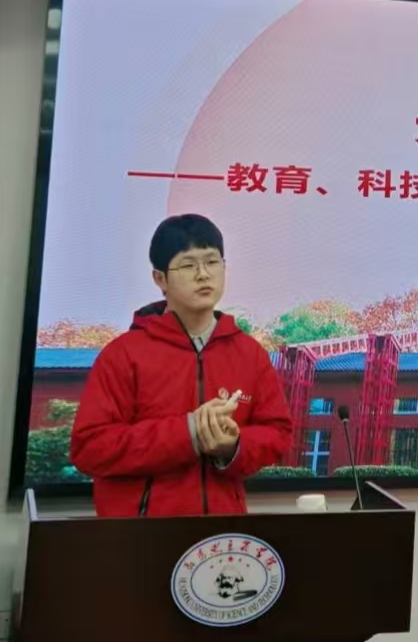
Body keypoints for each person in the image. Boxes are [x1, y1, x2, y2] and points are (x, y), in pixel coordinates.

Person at [71, 214, 293, 517]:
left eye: (212, 262)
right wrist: (188, 433)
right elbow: (90, 448)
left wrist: (233, 446)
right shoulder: (123, 354)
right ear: (160, 279)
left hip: (222, 536)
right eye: (188, 265)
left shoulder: (250, 353)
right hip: (141, 535)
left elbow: (277, 433)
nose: (203, 275)